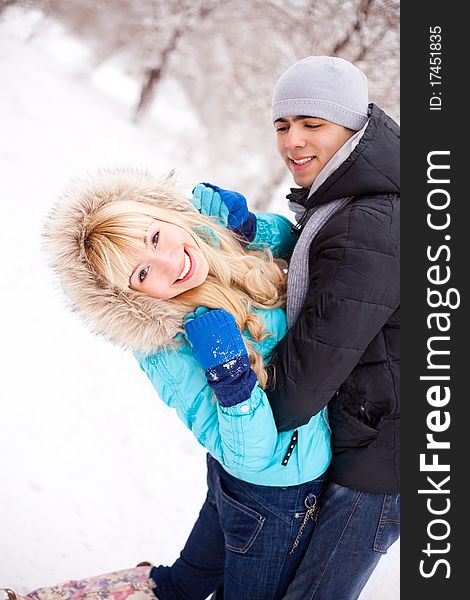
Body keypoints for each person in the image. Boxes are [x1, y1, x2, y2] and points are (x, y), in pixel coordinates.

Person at [7, 167, 330, 600]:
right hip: (273, 497)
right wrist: (231, 380)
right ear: (131, 298)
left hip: (240, 487)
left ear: (168, 216)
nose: (171, 263)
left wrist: (252, 230)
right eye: (142, 274)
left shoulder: (210, 245)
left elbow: (305, 254)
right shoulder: (167, 344)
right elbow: (250, 459)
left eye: (156, 239)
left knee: (183, 584)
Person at [193, 55, 400, 600]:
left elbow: (308, 376)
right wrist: (249, 229)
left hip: (381, 460)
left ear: (353, 127)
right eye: (282, 125)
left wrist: (242, 430)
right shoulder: (358, 195)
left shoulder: (368, 220)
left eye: (313, 124)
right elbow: (319, 254)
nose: (292, 141)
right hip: (368, 432)